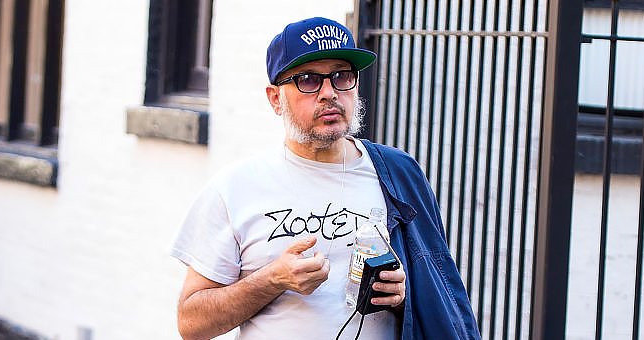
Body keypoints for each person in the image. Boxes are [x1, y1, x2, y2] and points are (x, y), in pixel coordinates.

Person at [171, 17, 481, 340]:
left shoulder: (399, 175)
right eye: (308, 80)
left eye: (341, 76)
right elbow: (191, 323)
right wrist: (272, 280)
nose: (329, 93)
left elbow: (441, 301)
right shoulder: (236, 189)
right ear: (275, 98)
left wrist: (403, 301)